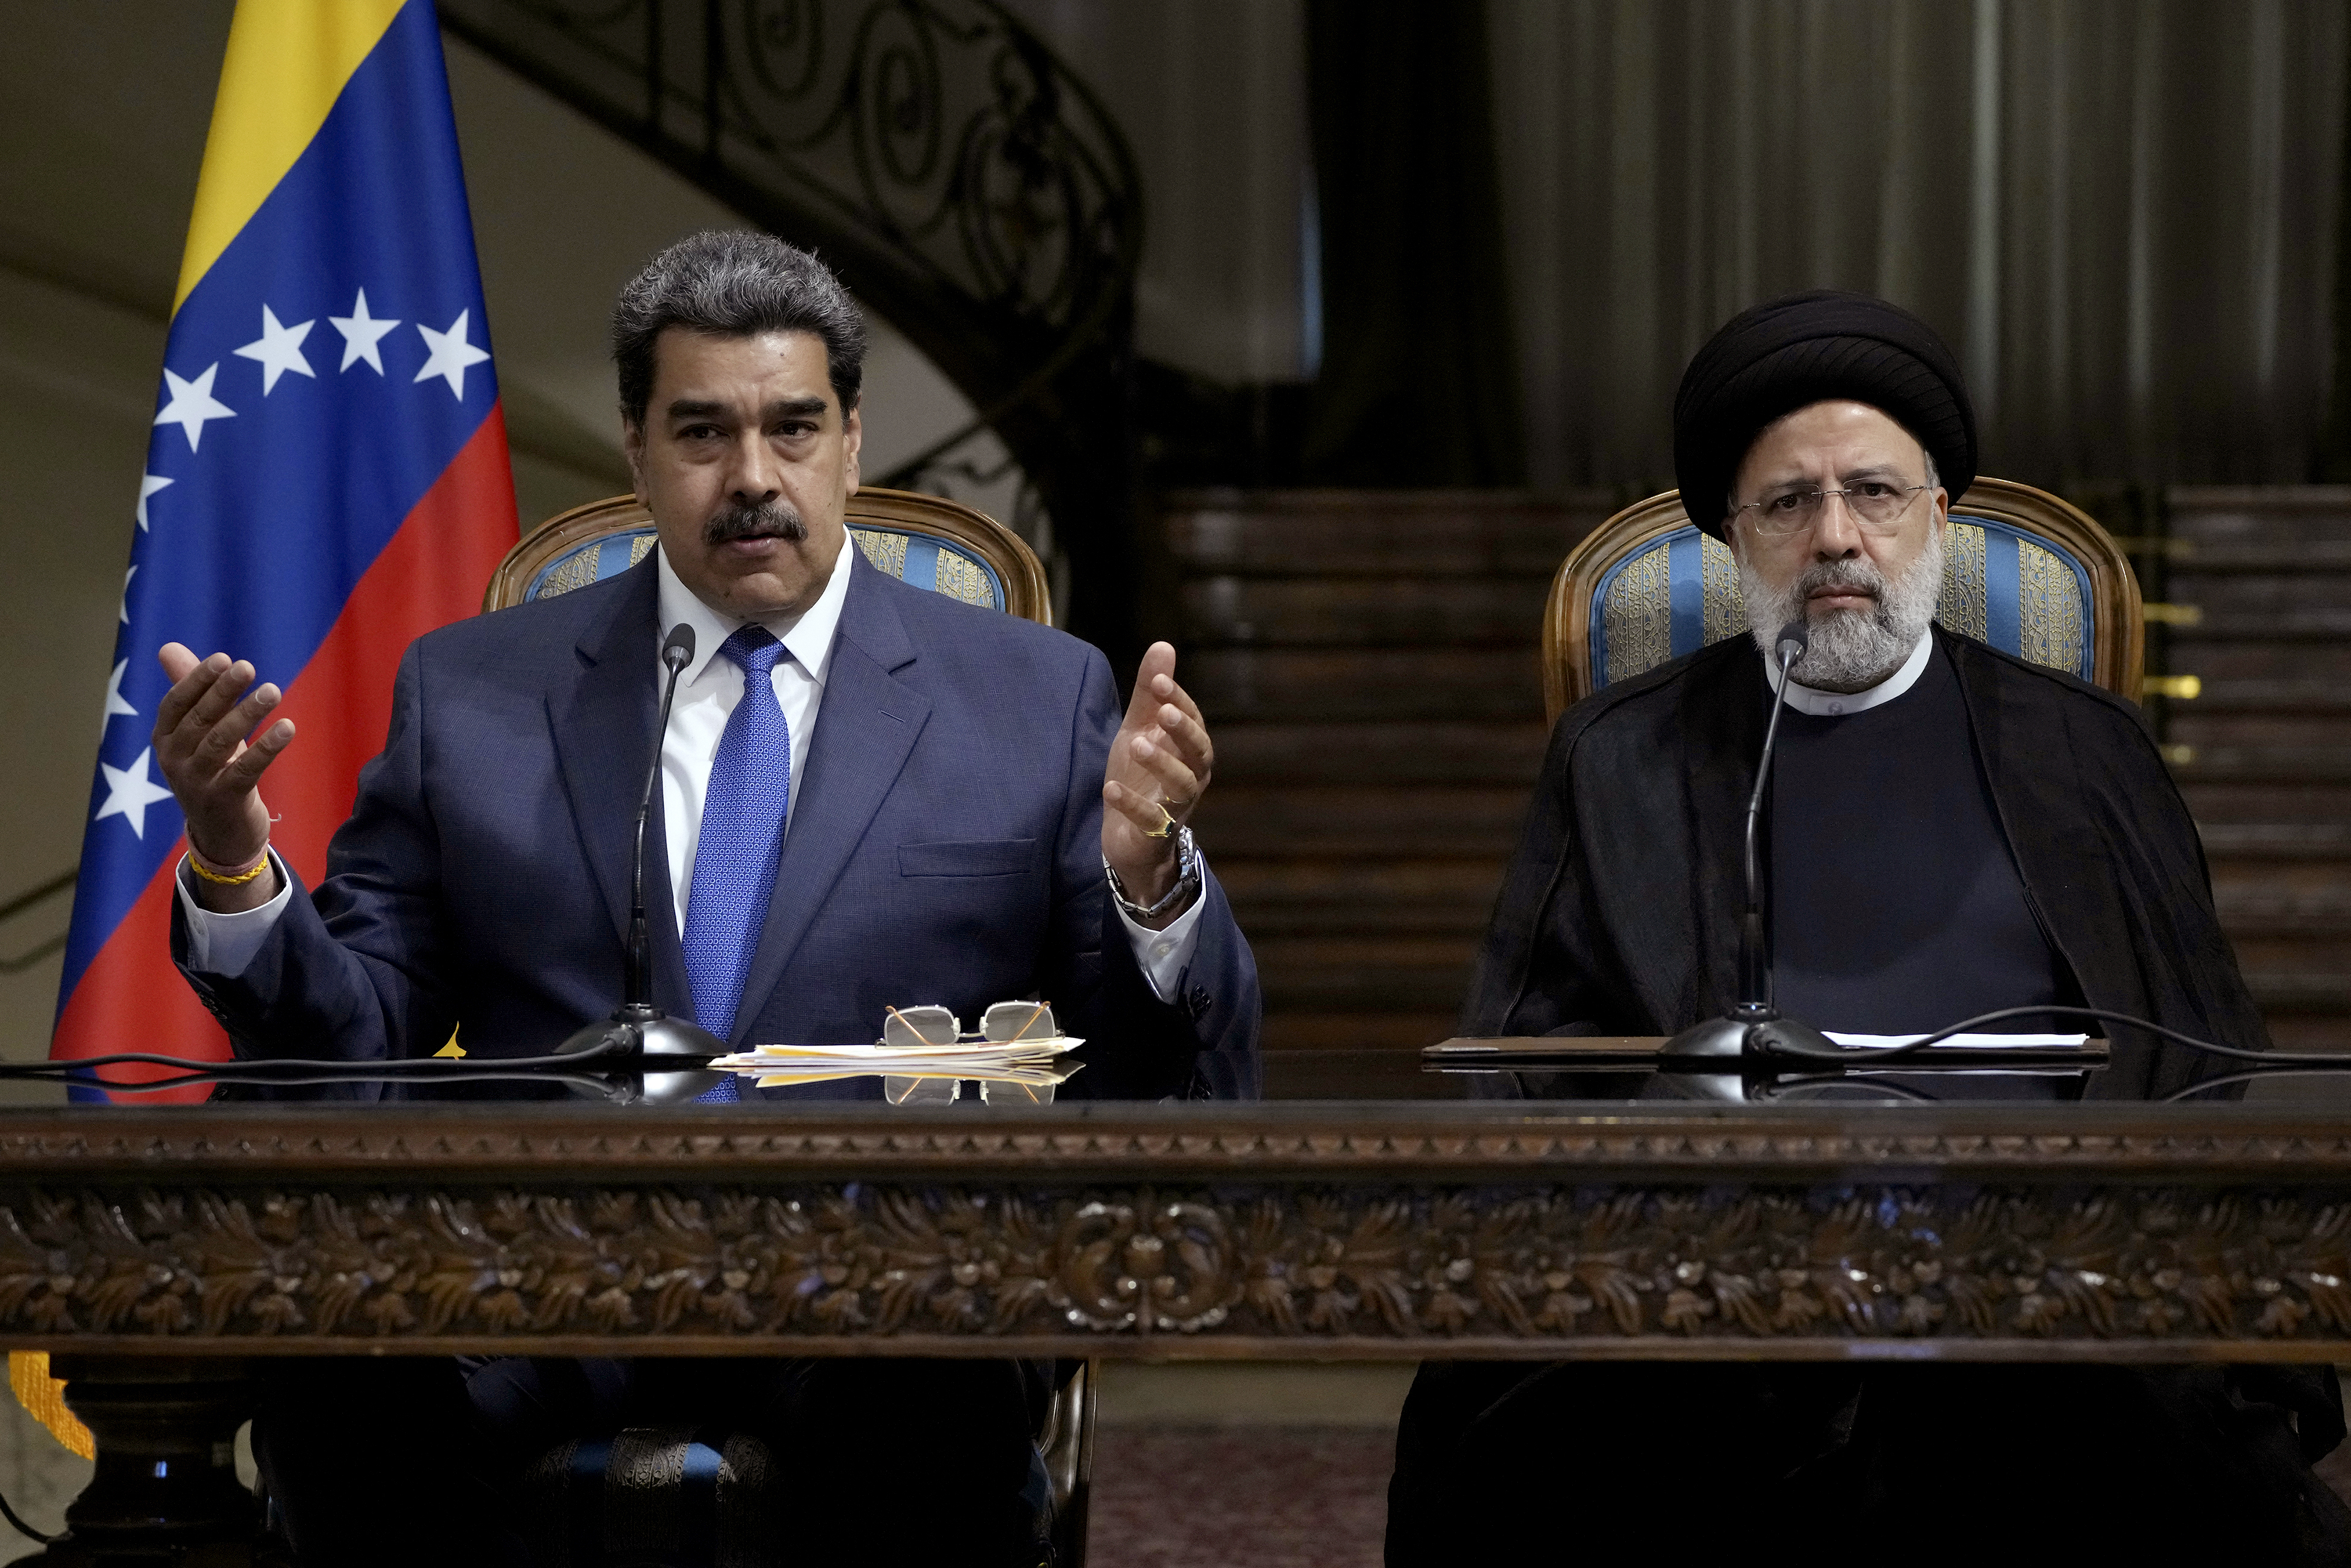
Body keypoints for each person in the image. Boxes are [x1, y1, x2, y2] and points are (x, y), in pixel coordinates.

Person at [151, 230, 1260, 1564]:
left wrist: (1152, 877)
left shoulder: (1035, 698)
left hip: (882, 1276)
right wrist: (234, 860)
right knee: (342, 1383)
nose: (753, 479)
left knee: (931, 1391)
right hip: (536, 1274)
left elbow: (1155, 1066)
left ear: (854, 440)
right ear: (635, 449)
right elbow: (352, 1040)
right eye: (702, 432)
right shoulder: (474, 693)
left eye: (795, 428)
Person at [1385, 291, 2351, 1563]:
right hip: (1717, 1297)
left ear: (1940, 516)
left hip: (2045, 1291)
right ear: (1736, 537)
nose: (1835, 535)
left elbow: (2203, 1062)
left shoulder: (2090, 752)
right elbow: (1519, 1072)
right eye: (1788, 502)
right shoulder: (1620, 757)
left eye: (1875, 493)